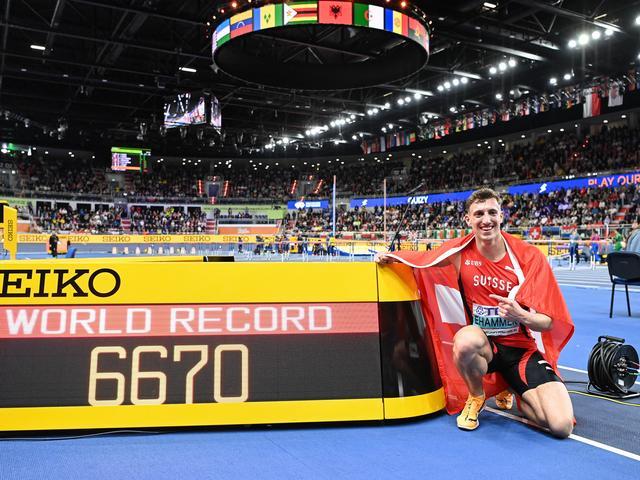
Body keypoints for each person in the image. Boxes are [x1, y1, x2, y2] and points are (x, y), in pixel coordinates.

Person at [376, 188, 574, 438]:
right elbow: (424, 259)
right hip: (486, 348)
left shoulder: (528, 257)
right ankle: (477, 395)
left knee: (561, 426)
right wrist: (391, 256)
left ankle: (512, 387)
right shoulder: (459, 253)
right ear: (468, 219)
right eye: (479, 214)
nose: (486, 220)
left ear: (501, 216)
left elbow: (548, 322)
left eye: (492, 212)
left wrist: (521, 316)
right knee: (465, 341)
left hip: (521, 352)